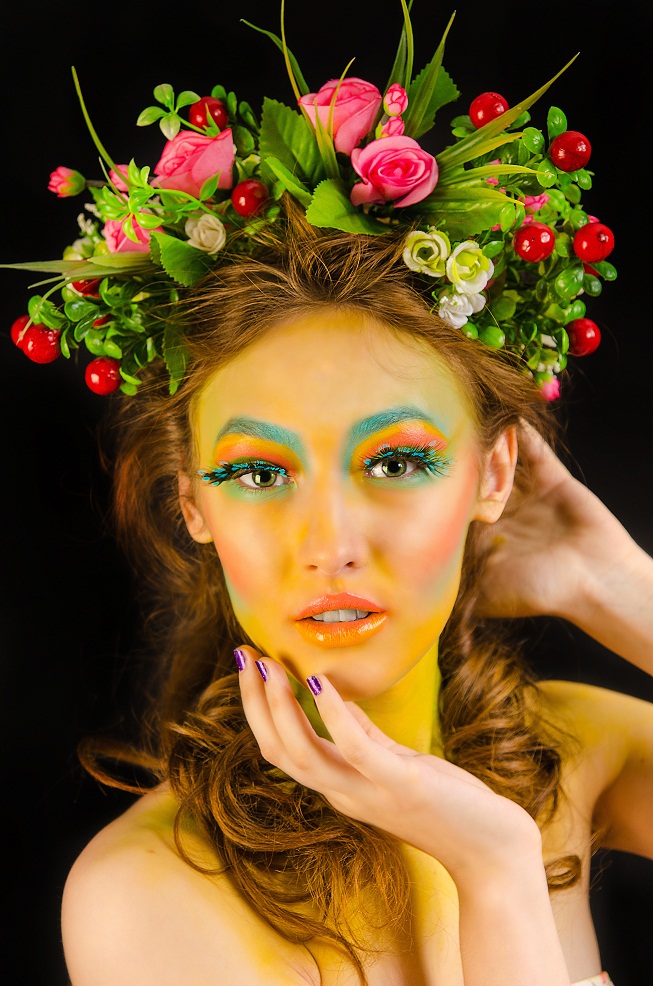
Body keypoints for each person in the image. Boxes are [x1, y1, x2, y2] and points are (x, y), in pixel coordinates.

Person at [4, 4, 651, 984]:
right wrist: (493, 869)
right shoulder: (145, 896)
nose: (330, 541)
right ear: (192, 503)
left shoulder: (572, 750)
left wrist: (616, 587)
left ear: (492, 473)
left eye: (393, 461)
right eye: (259, 472)